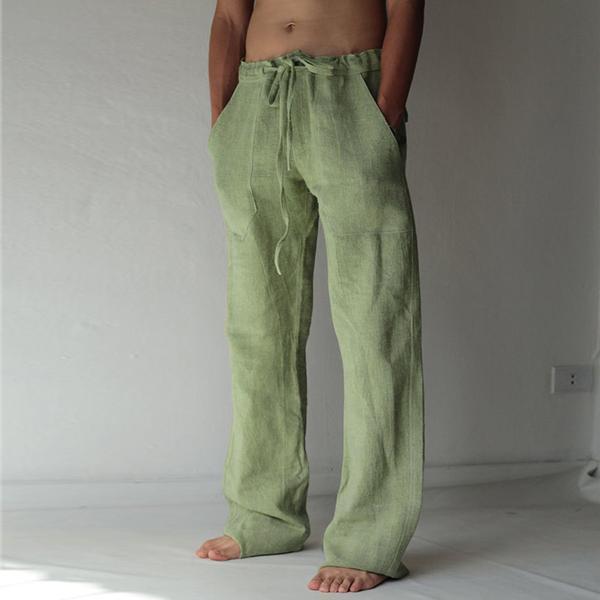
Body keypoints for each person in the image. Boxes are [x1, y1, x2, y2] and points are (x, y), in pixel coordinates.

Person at [196, 0, 425, 593]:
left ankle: (370, 539)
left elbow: (405, 8)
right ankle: (263, 516)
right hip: (257, 100)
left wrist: (385, 109)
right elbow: (229, 17)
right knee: (257, 329)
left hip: (351, 95)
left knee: (376, 325)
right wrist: (224, 117)